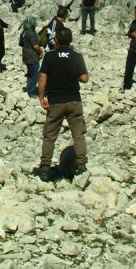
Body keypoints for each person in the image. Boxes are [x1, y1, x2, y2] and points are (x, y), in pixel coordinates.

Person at [33, 27, 90, 181]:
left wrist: (41, 97)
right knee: (78, 134)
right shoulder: (76, 56)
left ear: (56, 40)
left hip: (56, 101)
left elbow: (42, 78)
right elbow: (84, 79)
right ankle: (81, 166)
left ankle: (45, 167)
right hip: (74, 100)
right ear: (70, 40)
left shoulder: (50, 57)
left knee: (50, 136)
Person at [20, 16, 44, 97]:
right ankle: (31, 91)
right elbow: (35, 46)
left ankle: (29, 88)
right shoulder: (32, 33)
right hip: (32, 57)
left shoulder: (24, 32)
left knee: (30, 73)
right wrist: (41, 52)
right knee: (35, 74)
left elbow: (21, 44)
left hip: (26, 55)